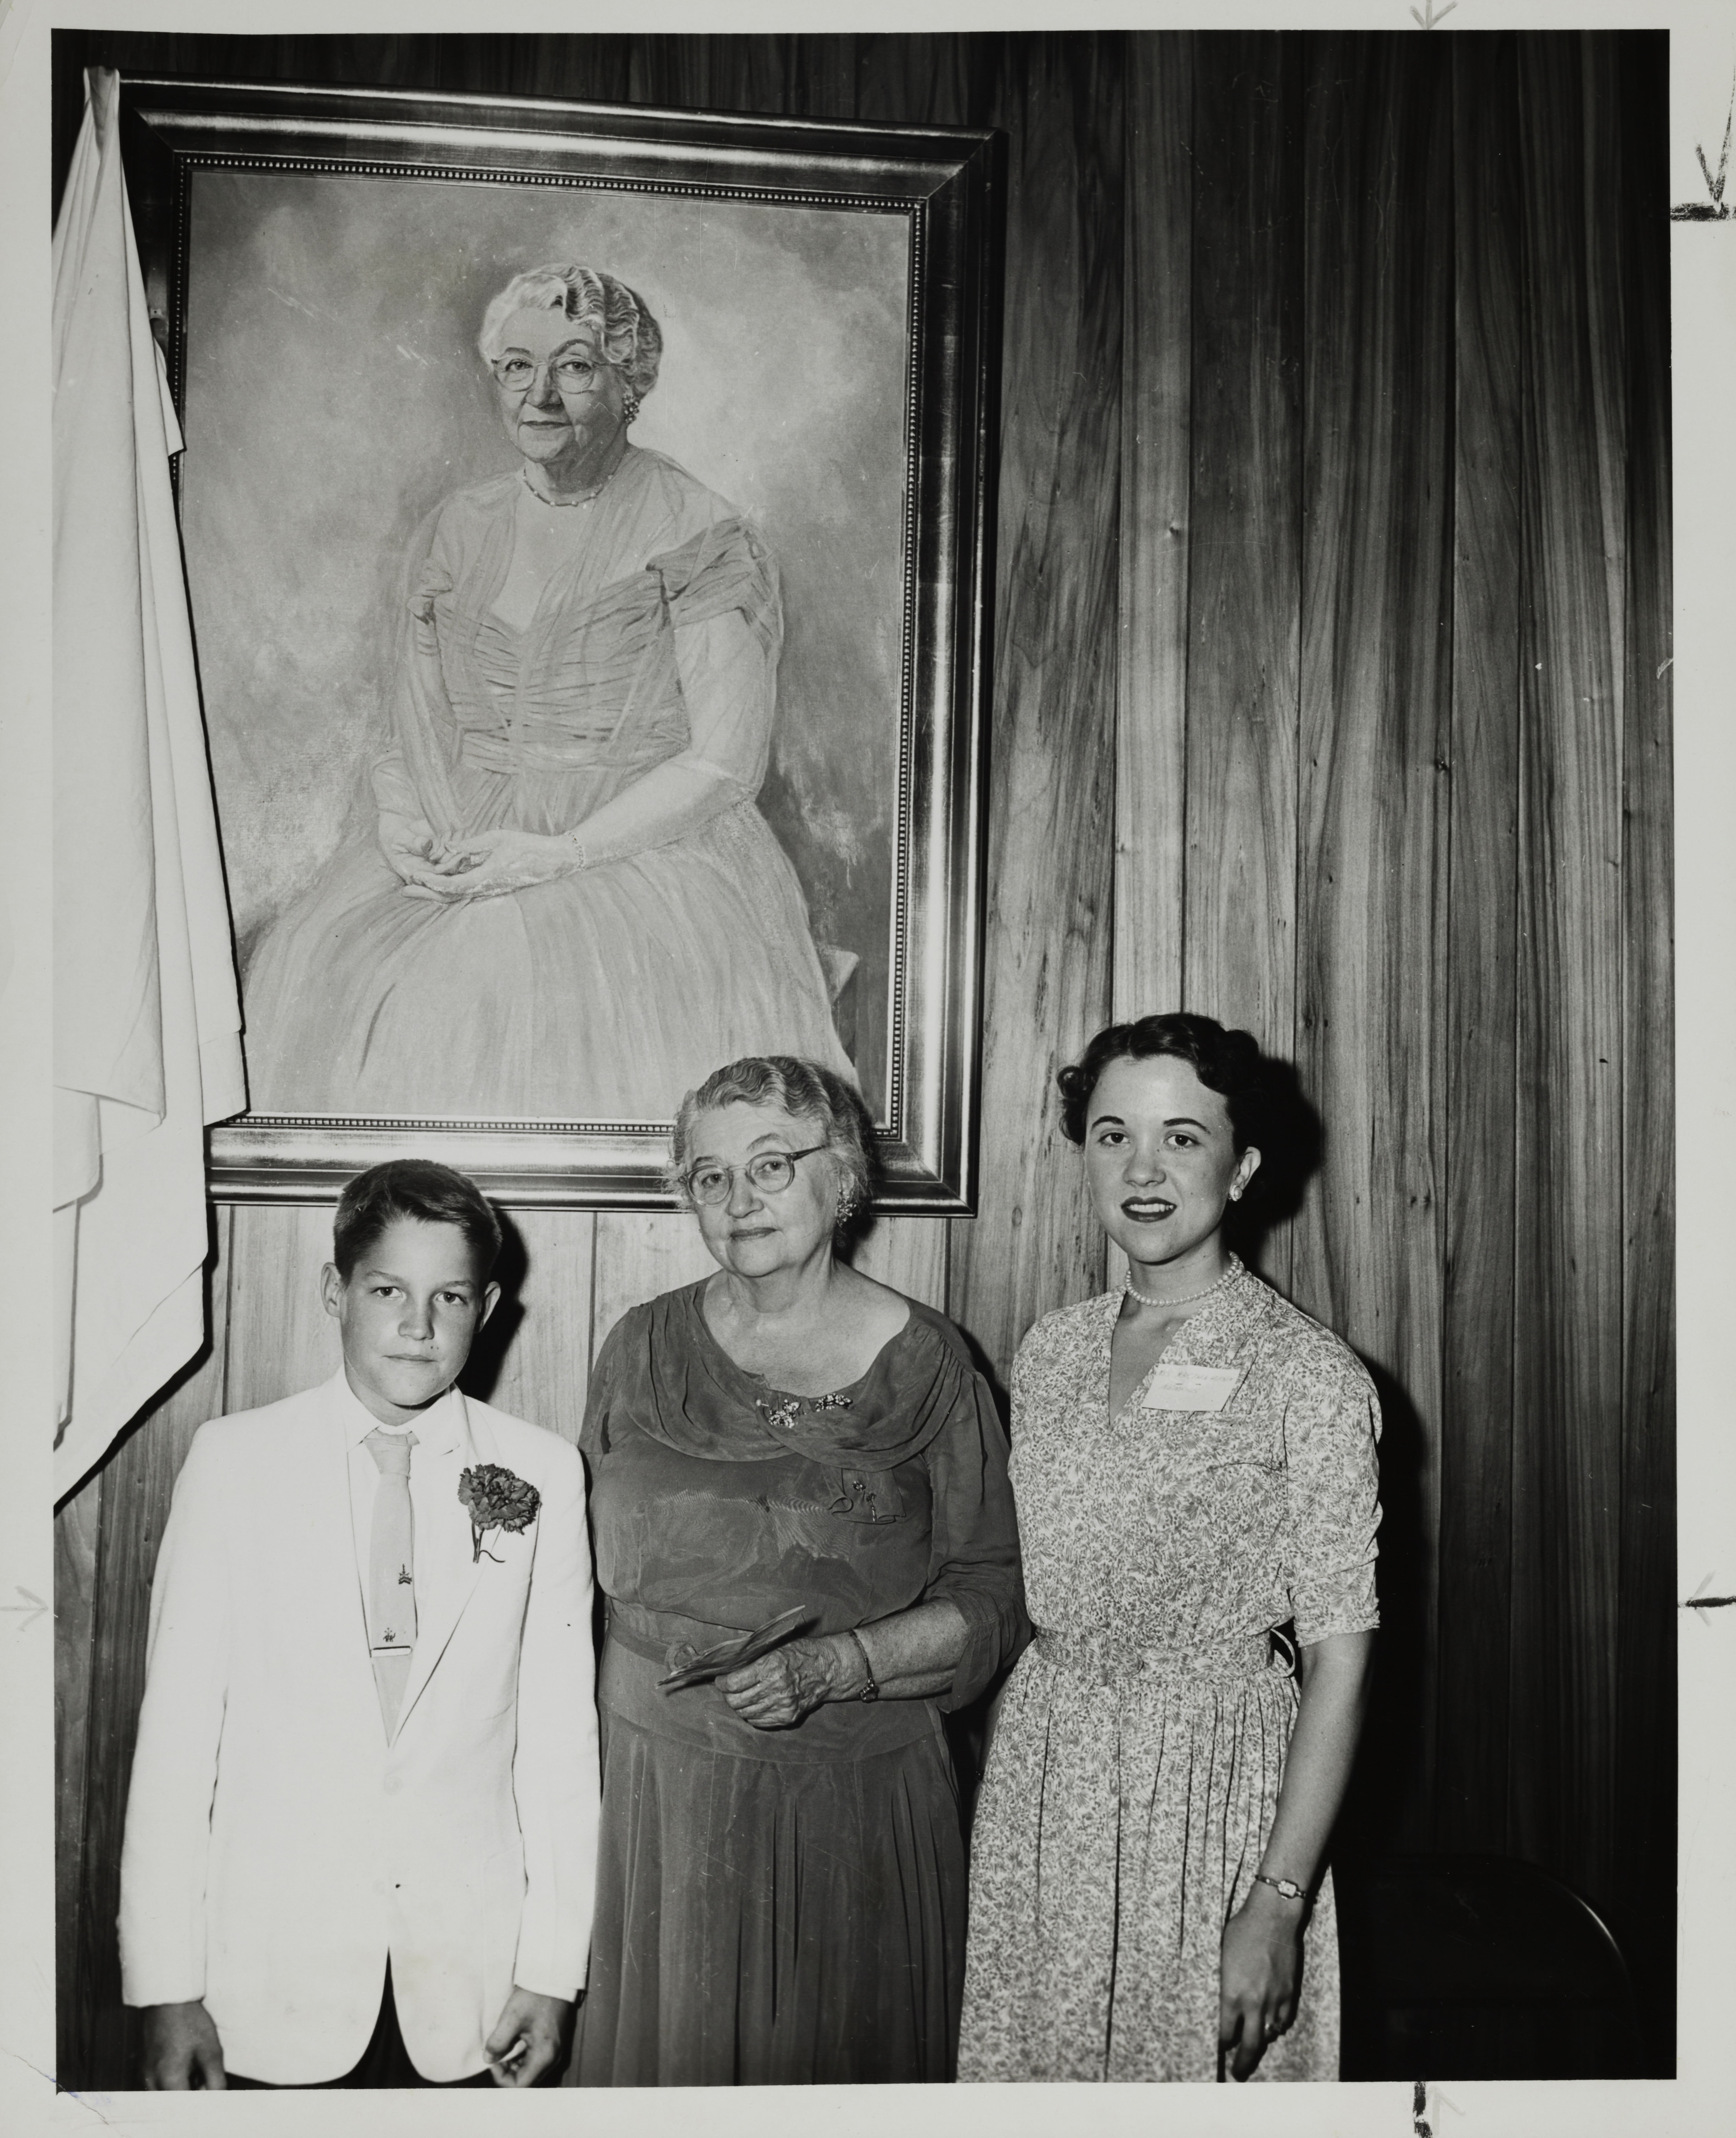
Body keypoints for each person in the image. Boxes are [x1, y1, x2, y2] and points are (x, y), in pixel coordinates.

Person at [244, 263, 853, 1121]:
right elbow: (410, 728)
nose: (541, 395)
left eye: (575, 366)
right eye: (516, 367)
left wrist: (558, 855)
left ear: (629, 381)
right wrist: (401, 821)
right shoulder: (460, 526)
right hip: (466, 833)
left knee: (486, 989)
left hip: (637, 854)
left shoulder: (699, 530)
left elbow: (725, 763)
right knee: (320, 971)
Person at [569, 1055, 1026, 2085]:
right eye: (711, 1177)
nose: (740, 1201)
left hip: (856, 1799)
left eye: (771, 1165)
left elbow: (998, 1592)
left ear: (844, 1178)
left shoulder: (935, 1366)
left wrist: (842, 1666)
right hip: (653, 1797)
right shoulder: (639, 1348)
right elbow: (569, 1582)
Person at [957, 1014, 1381, 2084]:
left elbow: (1341, 1656)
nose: (1144, 1170)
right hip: (1049, 1782)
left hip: (1216, 1803)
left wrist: (1278, 1902)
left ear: (1241, 1169)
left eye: (1182, 1139)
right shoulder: (1051, 1351)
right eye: (1113, 1136)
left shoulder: (1308, 1377)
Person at [118, 1161, 598, 2089]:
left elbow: (558, 1750)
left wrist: (550, 1974)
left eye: (450, 1297)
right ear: (336, 1291)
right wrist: (165, 1986)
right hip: (265, 1985)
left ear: (488, 1308)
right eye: (388, 1291)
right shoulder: (233, 1465)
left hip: (468, 1988)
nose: (418, 1327)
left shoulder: (541, 1472)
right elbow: (175, 1752)